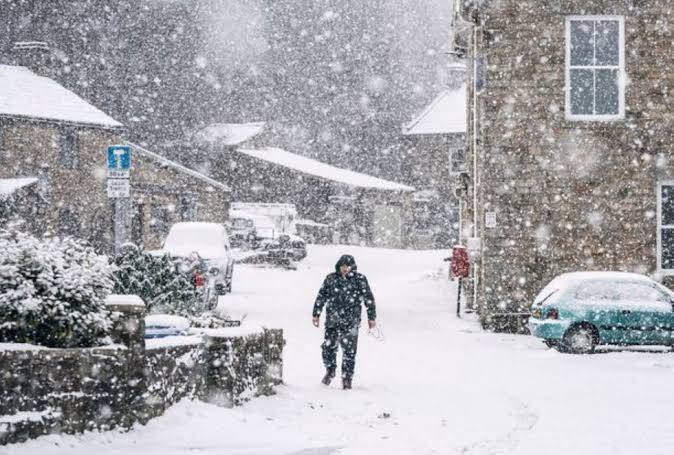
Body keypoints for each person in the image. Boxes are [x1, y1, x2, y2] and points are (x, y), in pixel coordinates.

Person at [312, 254, 376, 390]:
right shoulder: (331, 279)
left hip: (351, 322)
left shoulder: (360, 280)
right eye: (342, 266)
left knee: (349, 352)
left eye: (347, 267)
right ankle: (330, 370)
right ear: (339, 266)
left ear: (352, 267)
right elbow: (321, 296)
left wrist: (371, 317)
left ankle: (347, 378)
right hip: (332, 321)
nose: (345, 269)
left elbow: (368, 299)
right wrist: (316, 314)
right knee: (328, 348)